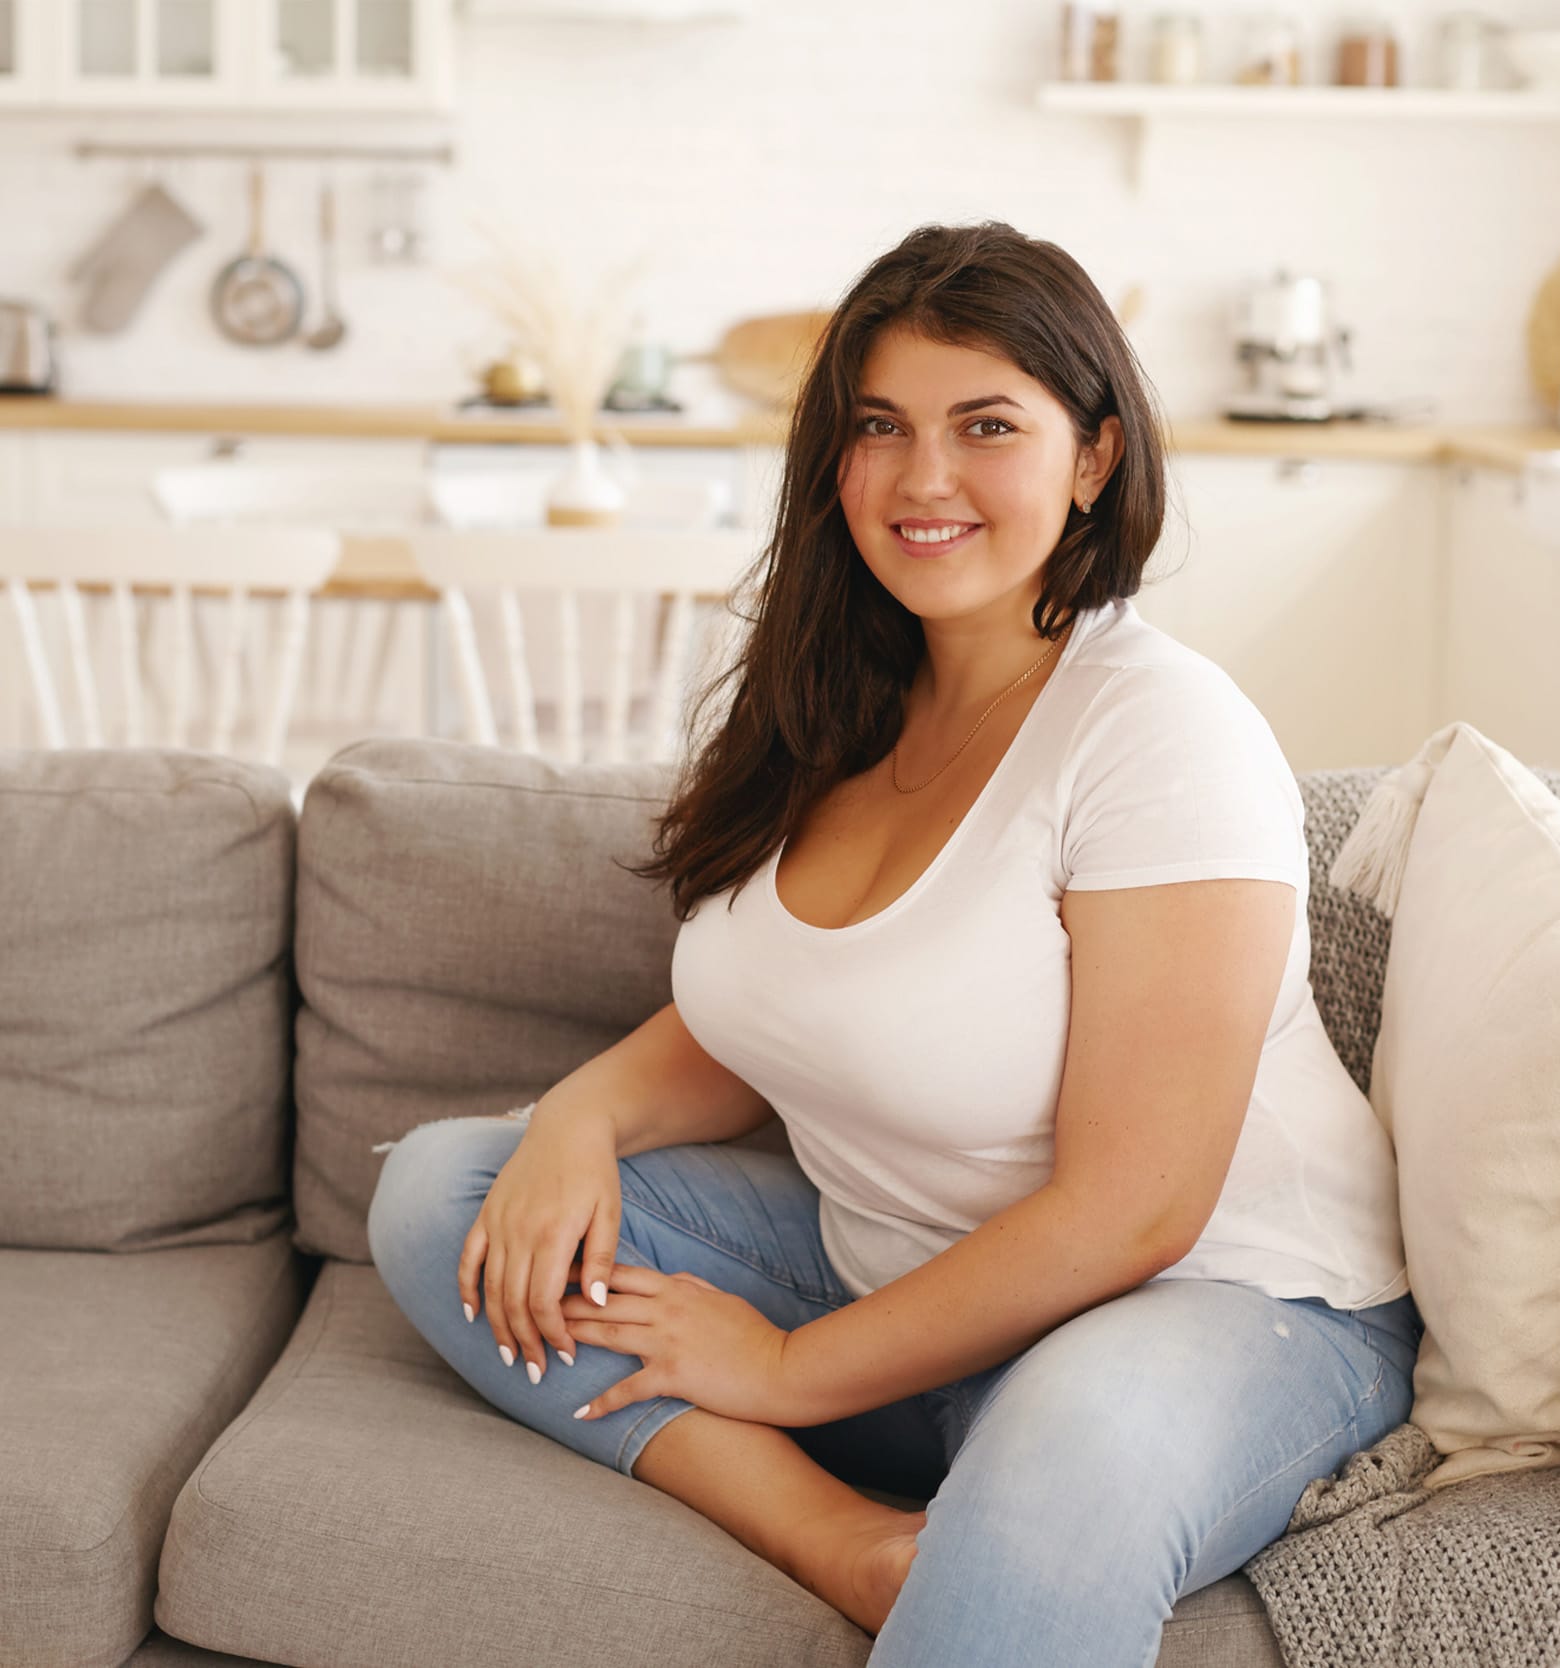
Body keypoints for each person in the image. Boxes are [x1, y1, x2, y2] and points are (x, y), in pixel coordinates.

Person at [367, 220, 1417, 1666]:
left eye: (987, 425)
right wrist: (577, 1118)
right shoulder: (834, 702)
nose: (924, 479)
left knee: (1064, 1466)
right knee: (449, 1194)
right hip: (899, 1282)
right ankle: (847, 1541)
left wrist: (786, 1366)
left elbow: (1138, 1210)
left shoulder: (1160, 731)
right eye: (881, 428)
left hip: (1218, 1301)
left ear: (1094, 457)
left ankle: (966, 1484)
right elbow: (783, 1014)